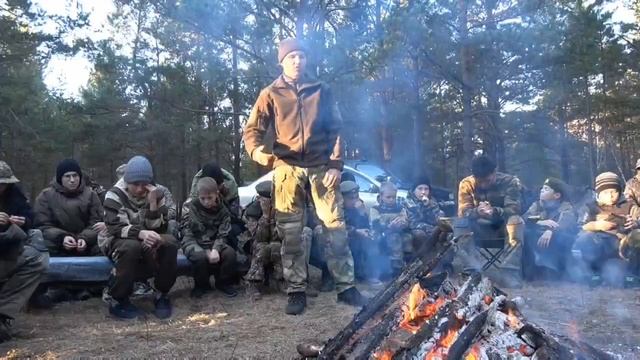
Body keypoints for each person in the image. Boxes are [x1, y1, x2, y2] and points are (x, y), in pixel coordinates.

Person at [243, 37, 368, 315]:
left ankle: (345, 286)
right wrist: (262, 156)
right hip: (286, 169)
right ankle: (296, 289)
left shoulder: (322, 90)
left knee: (335, 229)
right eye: (292, 57)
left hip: (321, 167)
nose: (297, 61)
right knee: (291, 233)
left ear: (307, 60)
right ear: (282, 62)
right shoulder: (270, 93)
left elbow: (336, 128)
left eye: (301, 56)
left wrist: (336, 165)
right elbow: (251, 131)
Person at [100, 156, 178, 319]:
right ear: (127, 181)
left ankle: (161, 293)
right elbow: (115, 227)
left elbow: (160, 227)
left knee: (169, 242)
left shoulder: (157, 192)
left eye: (145, 184)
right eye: (136, 184)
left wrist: (153, 204)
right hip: (118, 238)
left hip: (146, 234)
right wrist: (141, 234)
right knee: (131, 247)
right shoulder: (114, 194)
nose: (141, 189)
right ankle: (118, 299)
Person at [0, 161, 48, 342]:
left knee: (38, 259)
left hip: (8, 253)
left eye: (4, 184)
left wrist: (23, 222)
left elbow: (31, 219)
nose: (1, 188)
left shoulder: (14, 195)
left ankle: (3, 312)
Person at [572, 172, 640, 286]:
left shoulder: (629, 205)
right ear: (598, 193)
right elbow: (579, 226)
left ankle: (632, 274)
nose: (610, 196)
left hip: (623, 245)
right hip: (600, 244)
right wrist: (596, 225)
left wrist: (636, 223)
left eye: (614, 191)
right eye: (606, 192)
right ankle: (594, 272)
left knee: (638, 235)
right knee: (585, 238)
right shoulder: (590, 207)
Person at [457, 155, 524, 270]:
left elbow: (514, 208)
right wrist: (477, 211)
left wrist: (495, 211)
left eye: (487, 181)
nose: (484, 185)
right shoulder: (467, 184)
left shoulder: (510, 182)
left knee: (516, 221)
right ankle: (470, 269)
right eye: (480, 181)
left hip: (502, 226)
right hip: (478, 227)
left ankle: (510, 271)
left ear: (494, 172)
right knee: (460, 223)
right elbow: (463, 211)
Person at [34, 159, 105, 257]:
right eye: (67, 176)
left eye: (75, 176)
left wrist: (84, 238)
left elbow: (96, 223)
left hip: (87, 243)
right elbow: (43, 225)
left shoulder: (91, 195)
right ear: (60, 178)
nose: (72, 180)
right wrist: (63, 237)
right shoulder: (46, 196)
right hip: (57, 243)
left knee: (105, 245)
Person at [180, 177, 238, 298]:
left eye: (210, 198)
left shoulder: (223, 210)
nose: (206, 201)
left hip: (214, 240)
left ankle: (223, 283)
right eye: (203, 198)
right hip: (193, 239)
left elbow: (224, 232)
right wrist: (208, 251)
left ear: (217, 194)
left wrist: (216, 249)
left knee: (230, 254)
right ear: (198, 196)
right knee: (200, 256)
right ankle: (201, 285)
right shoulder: (192, 206)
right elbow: (196, 231)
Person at [522, 178, 577, 280]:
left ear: (557, 195)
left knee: (561, 237)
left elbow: (565, 223)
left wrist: (550, 231)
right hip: (539, 239)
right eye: (542, 188)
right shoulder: (537, 205)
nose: (542, 190)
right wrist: (540, 222)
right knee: (526, 233)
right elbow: (525, 219)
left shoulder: (566, 207)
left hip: (560, 241)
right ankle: (530, 270)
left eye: (546, 189)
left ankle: (557, 271)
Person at [341, 181, 381, 285]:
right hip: (341, 237)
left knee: (370, 240)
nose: (355, 200)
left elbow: (366, 226)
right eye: (351, 198)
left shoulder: (358, 206)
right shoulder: (336, 208)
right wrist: (356, 231)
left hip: (356, 237)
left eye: (356, 196)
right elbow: (337, 226)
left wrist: (362, 213)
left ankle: (368, 274)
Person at [370, 182, 411, 276]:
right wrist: (389, 226)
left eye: (394, 197)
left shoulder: (400, 208)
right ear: (381, 196)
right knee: (394, 238)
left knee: (408, 238)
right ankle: (395, 268)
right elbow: (376, 225)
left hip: (398, 232)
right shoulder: (376, 208)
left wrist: (403, 223)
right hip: (381, 233)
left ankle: (408, 264)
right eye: (388, 197)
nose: (391, 200)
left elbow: (405, 220)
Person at [403, 176, 445, 254]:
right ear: (414, 190)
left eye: (426, 189)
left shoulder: (432, 202)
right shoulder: (408, 202)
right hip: (416, 230)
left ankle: (444, 261)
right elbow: (413, 223)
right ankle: (423, 259)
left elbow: (436, 220)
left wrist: (428, 206)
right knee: (420, 235)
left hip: (432, 229)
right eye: (420, 189)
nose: (423, 192)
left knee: (444, 233)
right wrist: (429, 229)